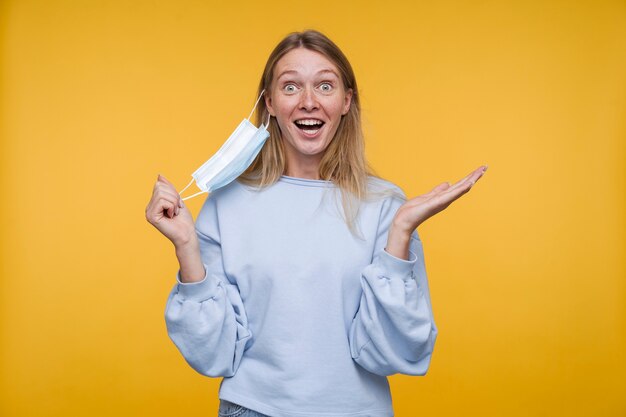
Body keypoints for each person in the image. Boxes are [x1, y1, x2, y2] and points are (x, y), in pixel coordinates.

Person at [145, 29, 487, 417]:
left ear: (346, 101)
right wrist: (187, 247)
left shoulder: (385, 206)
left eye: (325, 85)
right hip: (253, 409)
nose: (309, 102)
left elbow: (397, 352)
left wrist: (400, 233)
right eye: (291, 87)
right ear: (270, 102)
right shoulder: (227, 203)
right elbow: (214, 354)